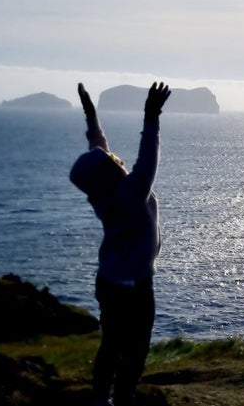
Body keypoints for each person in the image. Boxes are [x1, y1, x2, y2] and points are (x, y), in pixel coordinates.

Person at [69, 81, 172, 406]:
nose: (115, 156)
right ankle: (123, 399)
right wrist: (151, 116)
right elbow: (148, 159)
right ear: (111, 172)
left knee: (111, 345)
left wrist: (90, 113)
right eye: (111, 159)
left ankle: (101, 399)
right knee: (136, 349)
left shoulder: (104, 194)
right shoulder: (129, 194)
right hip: (134, 288)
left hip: (110, 282)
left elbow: (97, 145)